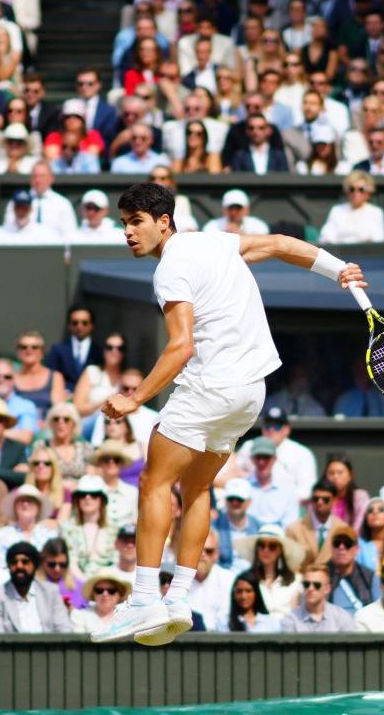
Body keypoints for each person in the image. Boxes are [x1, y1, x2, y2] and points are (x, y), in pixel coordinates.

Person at [85, 185, 361, 646]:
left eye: (136, 221)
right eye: (124, 223)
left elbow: (181, 347)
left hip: (211, 387)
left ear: (163, 221)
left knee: (154, 482)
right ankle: (178, 600)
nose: (128, 232)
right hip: (251, 393)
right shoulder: (214, 241)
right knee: (196, 488)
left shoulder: (170, 269)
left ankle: (143, 600)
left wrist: (135, 399)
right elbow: (276, 243)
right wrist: (338, 270)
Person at [0, 541, 73, 633]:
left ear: (35, 565)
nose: (19, 566)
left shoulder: (50, 592)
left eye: (25, 562)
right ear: (9, 566)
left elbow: (64, 629)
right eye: (14, 562)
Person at [285, 480, 348, 563]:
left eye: (325, 499)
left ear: (335, 501)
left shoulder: (343, 529)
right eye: (315, 499)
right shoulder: (294, 529)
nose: (320, 502)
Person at [280, 564, 356, 632]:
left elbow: (351, 647)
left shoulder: (341, 617)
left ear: (327, 589)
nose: (310, 589)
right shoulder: (291, 618)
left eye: (317, 585)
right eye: (306, 584)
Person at [319, 171, 384, 244]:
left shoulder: (376, 212)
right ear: (347, 191)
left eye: (361, 189)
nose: (356, 193)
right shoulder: (337, 210)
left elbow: (379, 239)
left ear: (368, 192)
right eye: (352, 189)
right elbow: (326, 237)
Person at [327, 523, 380, 615]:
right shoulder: (321, 576)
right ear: (331, 548)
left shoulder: (369, 577)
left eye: (347, 543)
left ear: (357, 549)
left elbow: (379, 610)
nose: (341, 547)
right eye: (337, 543)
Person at [70, 568, 130, 634]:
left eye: (111, 591)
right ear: (93, 594)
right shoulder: (79, 616)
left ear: (120, 594)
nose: (105, 594)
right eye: (99, 590)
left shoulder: (127, 618)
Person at [218, 573, 282, 633]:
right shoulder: (224, 622)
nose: (243, 596)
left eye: (248, 591)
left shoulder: (271, 622)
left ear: (256, 593)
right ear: (233, 594)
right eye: (239, 591)